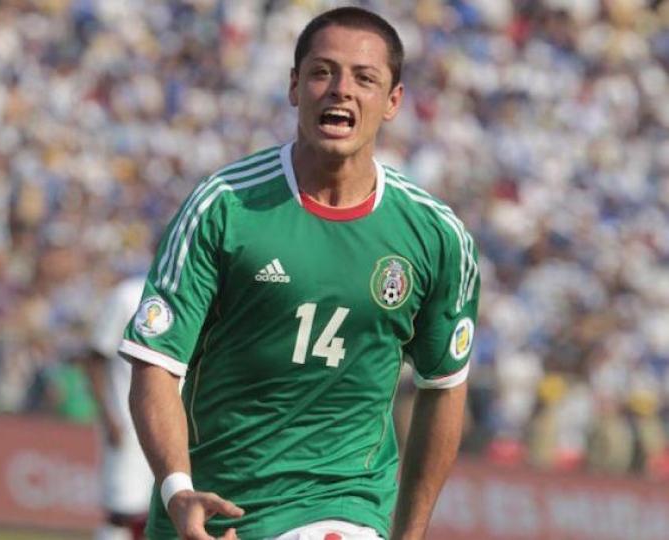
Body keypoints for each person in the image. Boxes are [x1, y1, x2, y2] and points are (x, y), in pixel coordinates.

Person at [120, 7, 480, 540]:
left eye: (365, 78)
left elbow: (443, 386)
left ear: (393, 102)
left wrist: (410, 533)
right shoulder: (226, 207)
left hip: (346, 507)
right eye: (321, 72)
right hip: (217, 512)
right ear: (294, 87)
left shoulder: (436, 236)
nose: (341, 90)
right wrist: (177, 489)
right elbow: (155, 364)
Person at [81, 275, 155, 540]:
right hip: (129, 425)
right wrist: (109, 416)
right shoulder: (128, 295)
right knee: (123, 514)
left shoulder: (197, 290)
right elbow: (95, 358)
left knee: (164, 515)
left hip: (175, 427)